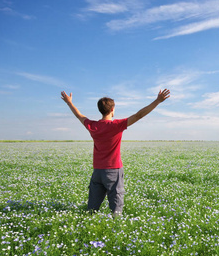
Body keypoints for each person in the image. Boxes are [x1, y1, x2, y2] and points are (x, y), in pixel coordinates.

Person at [61, 89, 171, 218]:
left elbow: (79, 115)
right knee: (116, 202)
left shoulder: (93, 126)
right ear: (112, 110)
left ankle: (88, 222)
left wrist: (69, 103)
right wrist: (157, 101)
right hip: (113, 170)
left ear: (100, 110)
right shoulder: (116, 126)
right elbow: (138, 115)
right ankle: (116, 225)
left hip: (97, 171)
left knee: (92, 205)